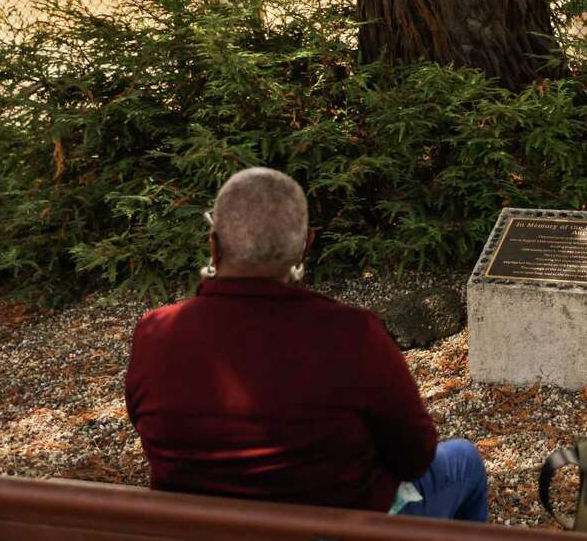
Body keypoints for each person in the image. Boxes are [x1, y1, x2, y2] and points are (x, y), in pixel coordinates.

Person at [125, 167, 487, 521]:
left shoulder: (154, 334)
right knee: (464, 461)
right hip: (340, 530)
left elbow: (150, 432)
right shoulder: (354, 335)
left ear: (213, 244)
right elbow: (415, 457)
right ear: (305, 246)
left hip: (197, 531)